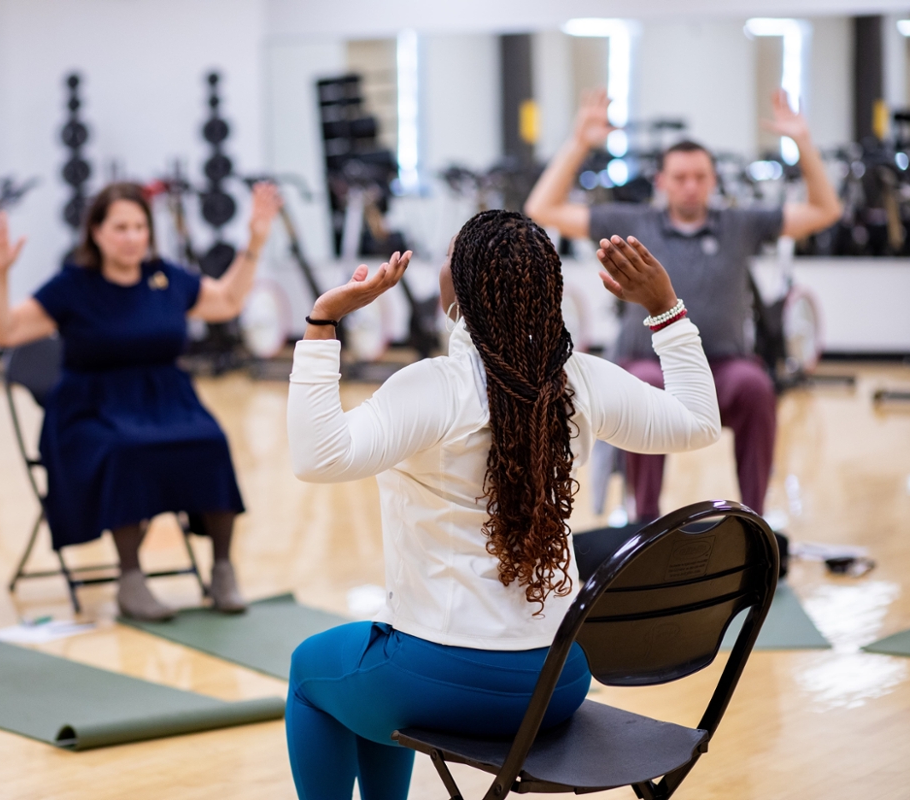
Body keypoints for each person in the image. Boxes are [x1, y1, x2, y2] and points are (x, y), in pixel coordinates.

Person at [285, 210, 722, 800]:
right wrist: (665, 308)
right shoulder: (580, 380)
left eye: (447, 258)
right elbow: (699, 422)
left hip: (444, 680)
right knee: (369, 671)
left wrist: (323, 321)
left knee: (312, 675)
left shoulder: (435, 387)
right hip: (558, 683)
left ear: (461, 287)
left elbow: (317, 457)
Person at [525, 89, 842, 521]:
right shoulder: (633, 222)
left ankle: (753, 522)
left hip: (725, 368)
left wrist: (803, 141)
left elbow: (825, 210)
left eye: (699, 176)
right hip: (650, 364)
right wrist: (579, 141)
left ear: (713, 181)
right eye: (680, 177)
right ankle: (645, 523)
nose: (690, 186)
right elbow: (541, 207)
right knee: (643, 384)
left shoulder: (739, 223)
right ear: (662, 181)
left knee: (755, 386)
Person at [0, 181, 281, 621]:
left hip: (165, 400)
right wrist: (0, 272)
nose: (132, 236)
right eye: (120, 227)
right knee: (126, 450)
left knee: (210, 440)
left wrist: (254, 241)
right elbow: (4, 332)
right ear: (97, 233)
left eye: (140, 226)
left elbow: (228, 301)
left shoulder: (165, 277)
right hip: (90, 407)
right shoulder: (72, 286)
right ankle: (130, 579)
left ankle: (221, 569)